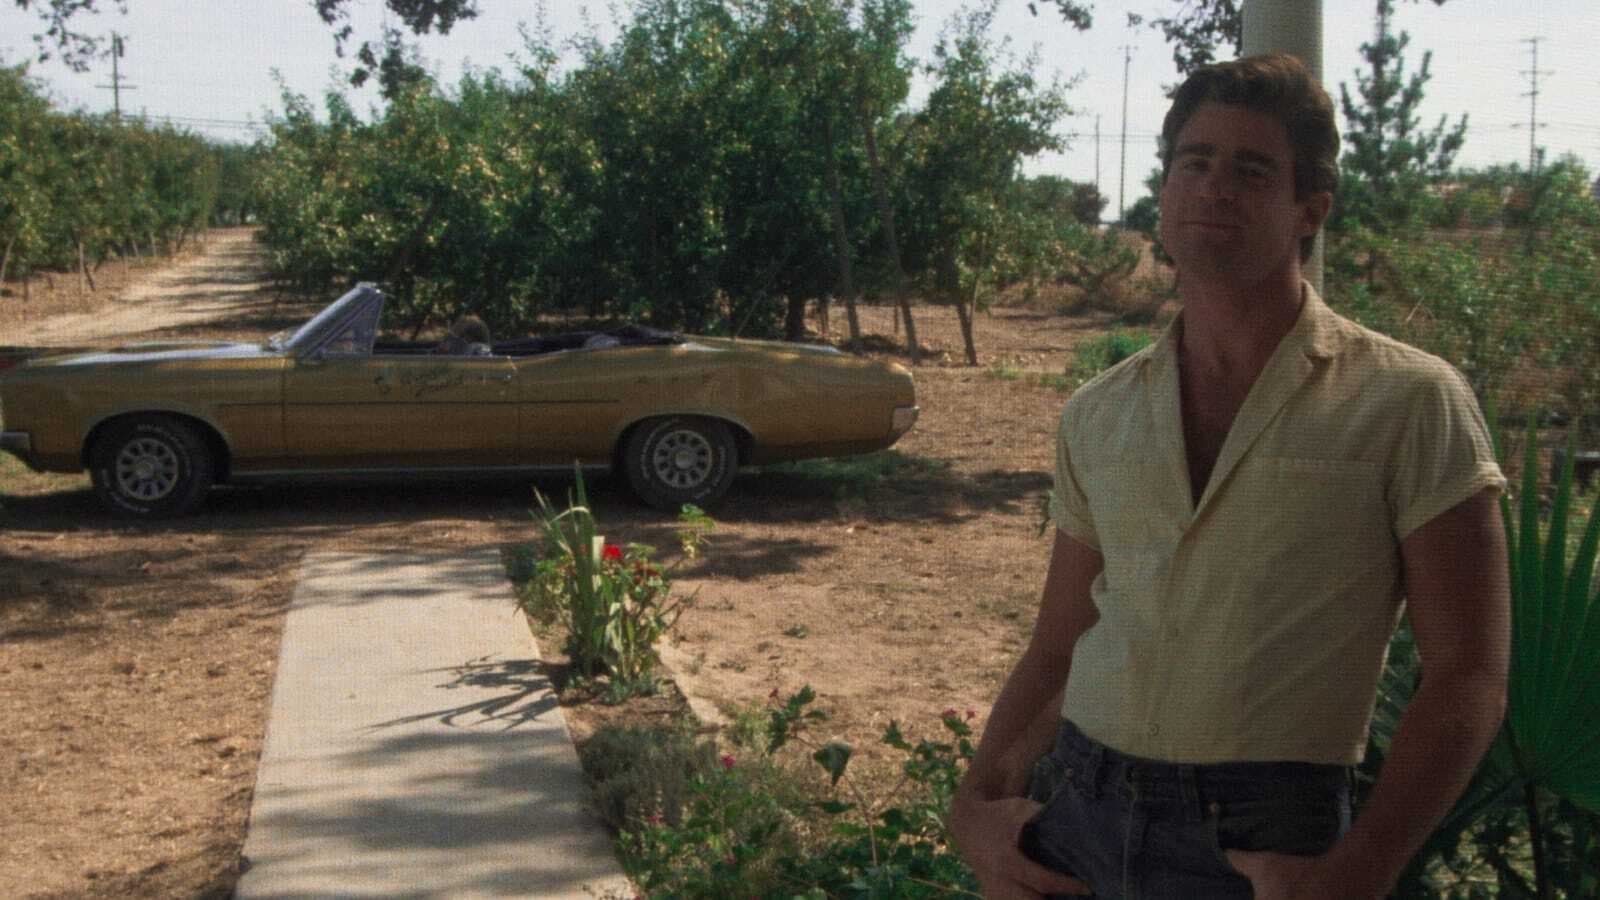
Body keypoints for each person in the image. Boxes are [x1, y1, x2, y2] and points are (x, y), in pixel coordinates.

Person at [950, 53, 1510, 900]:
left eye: (1251, 170)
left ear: (1309, 209)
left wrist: (1359, 873)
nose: (1214, 187)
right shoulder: (1101, 410)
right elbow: (1060, 646)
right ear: (1164, 190)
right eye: (1195, 162)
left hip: (1263, 841)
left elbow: (1467, 674)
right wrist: (974, 811)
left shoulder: (1406, 401)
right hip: (1072, 820)